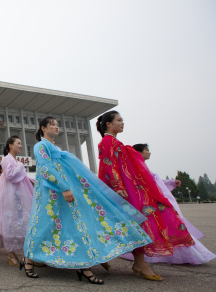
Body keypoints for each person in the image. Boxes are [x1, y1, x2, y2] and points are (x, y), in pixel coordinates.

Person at [23, 117, 151, 282]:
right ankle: (29, 259)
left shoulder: (54, 147)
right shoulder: (41, 145)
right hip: (52, 193)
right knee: (44, 223)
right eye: (52, 124)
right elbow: (46, 168)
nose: (56, 126)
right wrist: (64, 188)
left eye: (57, 124)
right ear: (42, 128)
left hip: (65, 193)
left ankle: (83, 266)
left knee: (74, 224)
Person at [97, 111, 194, 280]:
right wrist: (118, 186)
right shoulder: (107, 142)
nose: (122, 123)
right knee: (124, 224)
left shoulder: (115, 141)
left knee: (135, 224)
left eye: (122, 120)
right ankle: (115, 259)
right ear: (108, 124)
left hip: (128, 189)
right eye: (119, 120)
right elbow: (109, 165)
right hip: (119, 191)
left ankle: (138, 263)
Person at [119, 144, 215, 265]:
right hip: (154, 204)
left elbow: (156, 182)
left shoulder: (142, 167)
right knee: (170, 227)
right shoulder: (135, 169)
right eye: (147, 150)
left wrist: (171, 182)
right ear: (138, 153)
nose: (149, 152)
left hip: (158, 203)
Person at [0, 136, 33, 267]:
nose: (21, 146)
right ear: (10, 146)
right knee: (11, 222)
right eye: (18, 143)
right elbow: (11, 174)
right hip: (10, 196)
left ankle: (26, 254)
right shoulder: (7, 159)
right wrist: (20, 166)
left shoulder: (14, 160)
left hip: (18, 196)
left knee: (20, 222)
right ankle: (11, 253)